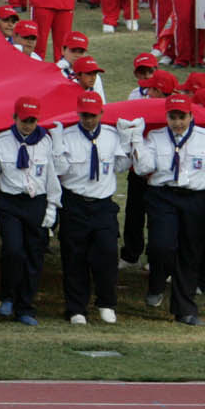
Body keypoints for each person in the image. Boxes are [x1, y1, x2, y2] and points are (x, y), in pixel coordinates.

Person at [131, 92, 205, 325]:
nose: (178, 122)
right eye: (173, 117)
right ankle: (157, 281)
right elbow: (142, 169)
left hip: (194, 198)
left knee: (190, 253)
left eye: (182, 117)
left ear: (191, 116)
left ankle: (185, 309)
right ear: (167, 117)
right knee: (162, 246)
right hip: (163, 196)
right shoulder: (155, 137)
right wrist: (136, 141)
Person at [0, 96, 60, 326]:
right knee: (13, 250)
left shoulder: (45, 140)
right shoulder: (2, 140)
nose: (28, 125)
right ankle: (7, 296)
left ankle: (25, 307)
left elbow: (50, 173)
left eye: (32, 120)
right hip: (10, 202)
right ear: (14, 118)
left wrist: (52, 204)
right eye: (23, 120)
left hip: (35, 201)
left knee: (34, 254)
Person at [51, 89, 134, 324]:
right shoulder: (66, 136)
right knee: (74, 256)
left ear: (101, 113)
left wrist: (128, 141)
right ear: (78, 114)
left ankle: (106, 303)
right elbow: (60, 171)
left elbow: (120, 165)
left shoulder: (111, 135)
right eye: (85, 115)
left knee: (107, 254)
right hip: (74, 203)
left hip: (102, 205)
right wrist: (57, 147)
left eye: (93, 115)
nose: (89, 120)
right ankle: (76, 308)